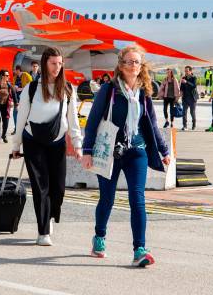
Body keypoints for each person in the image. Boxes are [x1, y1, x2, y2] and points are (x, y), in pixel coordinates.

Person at [82, 45, 171, 267]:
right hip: (110, 151)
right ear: (121, 66)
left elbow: (151, 123)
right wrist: (87, 150)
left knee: (137, 199)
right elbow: (92, 122)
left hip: (136, 150)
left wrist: (164, 150)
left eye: (137, 62)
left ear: (142, 67)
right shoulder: (109, 91)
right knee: (107, 198)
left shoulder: (144, 93)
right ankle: (99, 237)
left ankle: (139, 249)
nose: (133, 66)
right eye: (129, 62)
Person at [11, 47, 83, 246]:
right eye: (53, 63)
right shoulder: (31, 89)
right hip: (34, 141)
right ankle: (43, 231)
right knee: (40, 187)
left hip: (57, 141)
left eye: (60, 63)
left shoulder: (67, 88)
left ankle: (50, 215)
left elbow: (73, 120)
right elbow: (21, 119)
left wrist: (77, 145)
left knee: (58, 188)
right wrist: (16, 145)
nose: (57, 67)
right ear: (44, 64)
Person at [0, 69, 17, 143]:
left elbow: (14, 94)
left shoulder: (9, 84)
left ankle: (4, 135)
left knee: (6, 121)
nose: (8, 76)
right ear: (2, 76)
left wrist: (16, 103)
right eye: (7, 75)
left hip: (6, 105)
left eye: (8, 75)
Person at [179, 66, 198, 131]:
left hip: (192, 98)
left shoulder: (194, 78)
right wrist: (180, 94)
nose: (186, 72)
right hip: (185, 98)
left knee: (192, 112)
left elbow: (194, 86)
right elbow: (181, 88)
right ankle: (184, 126)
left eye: (187, 71)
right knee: (184, 112)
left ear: (190, 71)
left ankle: (194, 125)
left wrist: (186, 82)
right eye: (185, 71)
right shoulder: (184, 78)